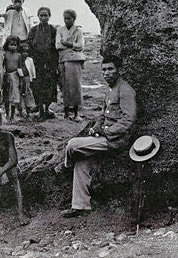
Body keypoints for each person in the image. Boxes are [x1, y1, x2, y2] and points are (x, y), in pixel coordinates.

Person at [58, 55, 137, 217]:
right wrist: (95, 128)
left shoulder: (126, 90)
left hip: (115, 140)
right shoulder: (110, 90)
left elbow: (129, 119)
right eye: (104, 70)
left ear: (119, 70)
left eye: (110, 69)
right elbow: (102, 116)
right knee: (81, 162)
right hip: (103, 138)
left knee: (72, 144)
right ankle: (81, 206)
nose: (106, 73)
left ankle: (64, 166)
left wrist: (106, 132)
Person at [27, 6, 58, 118]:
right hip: (37, 63)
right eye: (41, 15)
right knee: (37, 85)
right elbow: (29, 46)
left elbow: (56, 48)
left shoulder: (53, 30)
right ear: (38, 16)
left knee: (49, 85)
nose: (43, 17)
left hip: (49, 63)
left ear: (49, 16)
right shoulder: (33, 30)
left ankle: (47, 108)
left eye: (46, 15)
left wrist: (55, 63)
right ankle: (40, 109)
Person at [56, 9, 85, 121]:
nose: (67, 20)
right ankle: (66, 112)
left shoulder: (78, 30)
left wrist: (68, 43)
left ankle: (76, 113)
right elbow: (58, 45)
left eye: (69, 18)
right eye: (65, 18)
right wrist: (72, 46)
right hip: (62, 60)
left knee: (75, 86)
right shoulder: (60, 30)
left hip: (75, 61)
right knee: (65, 86)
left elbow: (80, 46)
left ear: (74, 19)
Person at [2, 36, 23, 120]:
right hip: (7, 75)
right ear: (7, 45)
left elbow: (20, 67)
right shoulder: (5, 54)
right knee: (6, 96)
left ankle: (12, 115)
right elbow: (2, 66)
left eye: (15, 45)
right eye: (11, 44)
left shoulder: (18, 55)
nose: (13, 46)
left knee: (14, 96)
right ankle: (7, 114)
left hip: (15, 76)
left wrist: (21, 79)